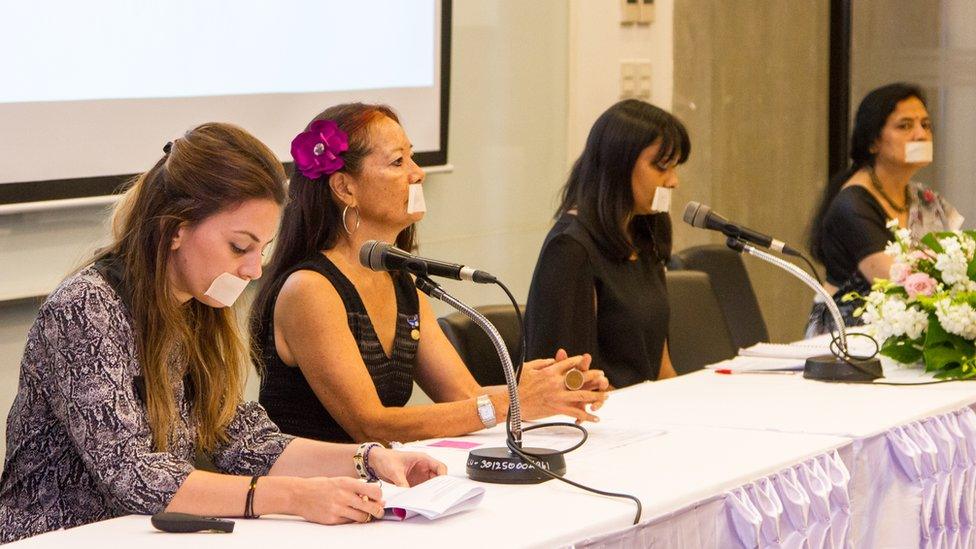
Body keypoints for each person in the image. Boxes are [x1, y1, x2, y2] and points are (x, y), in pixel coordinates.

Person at [0, 123, 445, 543]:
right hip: (58, 538)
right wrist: (294, 497)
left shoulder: (195, 304)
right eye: (239, 247)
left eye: (261, 249)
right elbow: (134, 475)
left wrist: (367, 460)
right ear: (175, 230)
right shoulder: (85, 309)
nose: (253, 270)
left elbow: (243, 440)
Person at [252, 103, 609, 444]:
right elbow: (370, 424)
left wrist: (549, 388)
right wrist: (511, 402)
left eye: (412, 156)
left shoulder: (401, 280)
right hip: (304, 495)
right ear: (345, 188)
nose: (417, 172)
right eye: (398, 161)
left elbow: (463, 396)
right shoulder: (310, 289)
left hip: (373, 483)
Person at [523, 99, 689, 389]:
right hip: (600, 419)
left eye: (675, 167)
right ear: (619, 166)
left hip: (649, 410)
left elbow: (661, 364)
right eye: (662, 167)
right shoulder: (570, 249)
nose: (673, 181)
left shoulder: (647, 232)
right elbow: (571, 380)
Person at [806, 82, 963, 336]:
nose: (920, 135)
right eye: (905, 126)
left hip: (911, 330)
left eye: (925, 125)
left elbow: (959, 264)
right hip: (848, 339)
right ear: (873, 142)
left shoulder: (925, 199)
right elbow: (896, 284)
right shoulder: (852, 204)